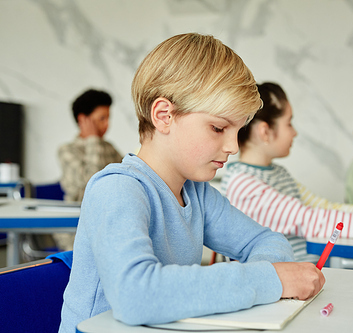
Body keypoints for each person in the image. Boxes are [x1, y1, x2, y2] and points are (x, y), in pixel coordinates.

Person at [58, 34, 324, 333]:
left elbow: (267, 242)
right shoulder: (117, 189)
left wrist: (263, 277)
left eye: (238, 130)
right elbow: (136, 295)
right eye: (218, 127)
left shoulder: (197, 195)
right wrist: (269, 280)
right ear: (164, 116)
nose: (233, 146)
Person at [220, 82, 353, 262]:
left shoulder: (278, 173)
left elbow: (327, 208)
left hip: (306, 278)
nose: (295, 133)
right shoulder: (244, 184)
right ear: (265, 132)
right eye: (289, 123)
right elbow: (314, 220)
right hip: (285, 289)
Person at [56, 89, 122, 251]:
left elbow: (124, 177)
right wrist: (93, 139)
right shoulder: (67, 150)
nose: (107, 124)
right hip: (76, 229)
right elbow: (91, 181)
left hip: (107, 223)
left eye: (108, 118)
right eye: (101, 118)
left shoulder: (109, 148)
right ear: (83, 120)